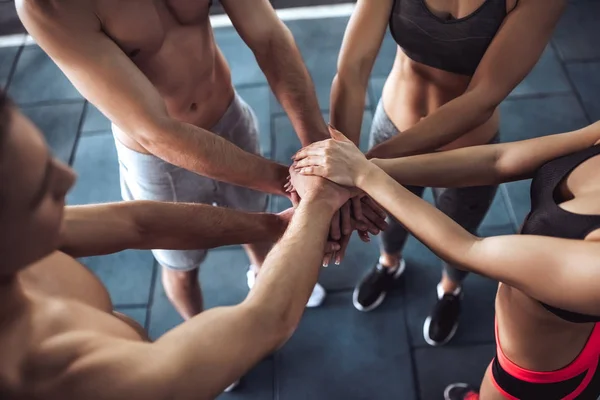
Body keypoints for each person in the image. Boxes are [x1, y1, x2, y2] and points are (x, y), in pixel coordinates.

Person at [15, 0, 385, 320]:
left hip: (228, 116)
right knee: (182, 264)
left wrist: (322, 161)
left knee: (257, 212)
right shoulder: (49, 5)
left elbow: (269, 39)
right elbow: (155, 130)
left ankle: (263, 274)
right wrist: (301, 180)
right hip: (158, 158)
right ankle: (197, 324)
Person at [0, 90, 353, 399]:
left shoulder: (23, 245)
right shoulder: (61, 379)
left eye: (50, 163)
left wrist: (275, 225)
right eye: (39, 193)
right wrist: (319, 203)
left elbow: (138, 224)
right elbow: (266, 320)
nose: (69, 178)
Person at [293, 122, 600, 399]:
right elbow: (498, 161)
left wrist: (364, 175)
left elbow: (468, 249)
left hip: (538, 376)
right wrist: (374, 169)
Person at [329, 0, 565, 345]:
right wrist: (342, 177)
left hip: (467, 148)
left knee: (458, 230)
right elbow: (352, 69)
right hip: (393, 123)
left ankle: (450, 289)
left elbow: (482, 98)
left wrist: (366, 165)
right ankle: (389, 263)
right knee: (385, 219)